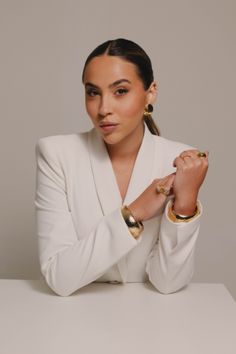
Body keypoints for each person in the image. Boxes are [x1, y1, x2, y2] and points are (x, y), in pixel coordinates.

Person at [35, 38, 209, 296]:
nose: (103, 109)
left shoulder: (179, 160)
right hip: (74, 320)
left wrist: (185, 207)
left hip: (152, 323)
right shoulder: (57, 155)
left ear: (151, 92)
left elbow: (168, 283)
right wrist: (135, 212)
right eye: (93, 92)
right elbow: (59, 277)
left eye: (120, 91)